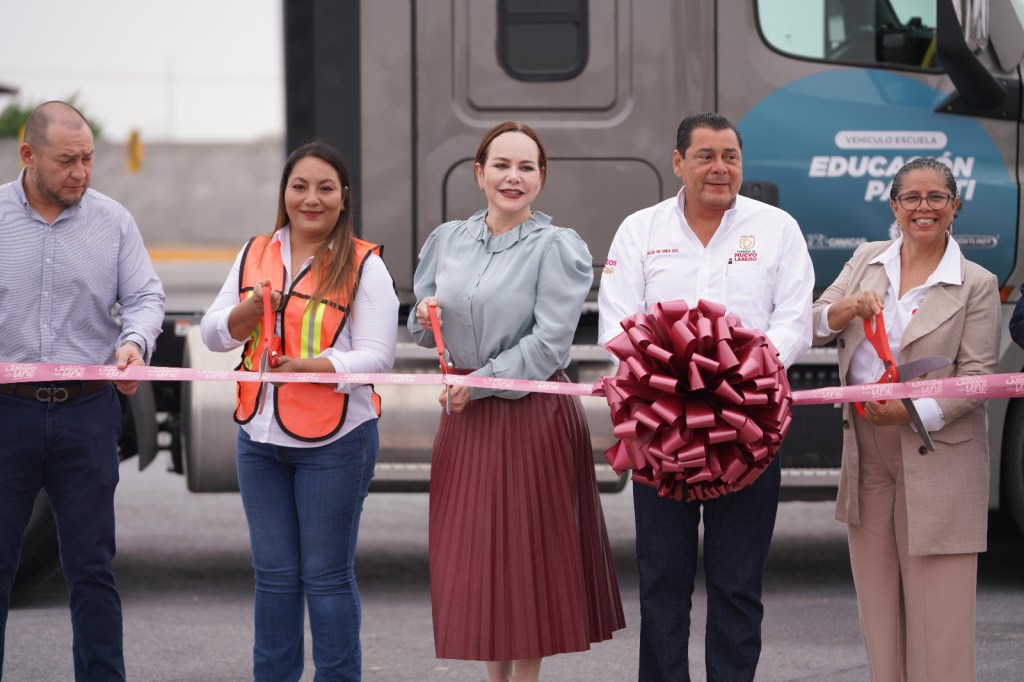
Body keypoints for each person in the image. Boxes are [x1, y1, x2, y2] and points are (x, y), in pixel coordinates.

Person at [597, 112, 813, 681]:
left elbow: (795, 321)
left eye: (730, 157)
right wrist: (660, 384)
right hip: (660, 433)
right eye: (706, 156)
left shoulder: (777, 229)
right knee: (662, 583)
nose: (720, 168)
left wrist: (745, 380)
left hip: (748, 434)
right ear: (678, 163)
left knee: (738, 585)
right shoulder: (640, 230)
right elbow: (615, 322)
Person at [408, 121, 625, 682]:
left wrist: (478, 382)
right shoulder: (446, 240)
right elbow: (420, 324)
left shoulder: (557, 247)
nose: (513, 176)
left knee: (528, 560)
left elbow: (549, 344)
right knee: (479, 557)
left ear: (541, 178)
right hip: (465, 417)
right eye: (501, 165)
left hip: (531, 414)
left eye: (526, 167)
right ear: (479, 174)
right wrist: (425, 315)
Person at [200, 141, 398, 681]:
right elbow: (213, 334)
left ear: (344, 197)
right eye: (299, 186)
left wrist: (316, 366)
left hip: (335, 443)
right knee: (274, 578)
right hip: (259, 440)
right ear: (284, 193)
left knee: (326, 577)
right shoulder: (254, 252)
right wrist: (244, 312)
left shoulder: (365, 265)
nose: (311, 198)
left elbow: (378, 356)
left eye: (325, 188)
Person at [812, 157, 999, 681]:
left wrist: (911, 410)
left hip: (937, 451)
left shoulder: (976, 282)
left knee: (939, 613)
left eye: (936, 197)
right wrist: (848, 307)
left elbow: (978, 378)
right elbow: (815, 323)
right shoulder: (865, 259)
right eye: (911, 198)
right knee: (878, 607)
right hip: (865, 447)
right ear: (894, 207)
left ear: (955, 206)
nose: (924, 207)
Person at [0, 101, 165, 681]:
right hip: (7, 414)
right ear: (28, 155)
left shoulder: (113, 221)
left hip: (87, 413)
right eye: (67, 160)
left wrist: (135, 343)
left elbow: (145, 297)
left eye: (88, 158)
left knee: (92, 569)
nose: (81, 172)